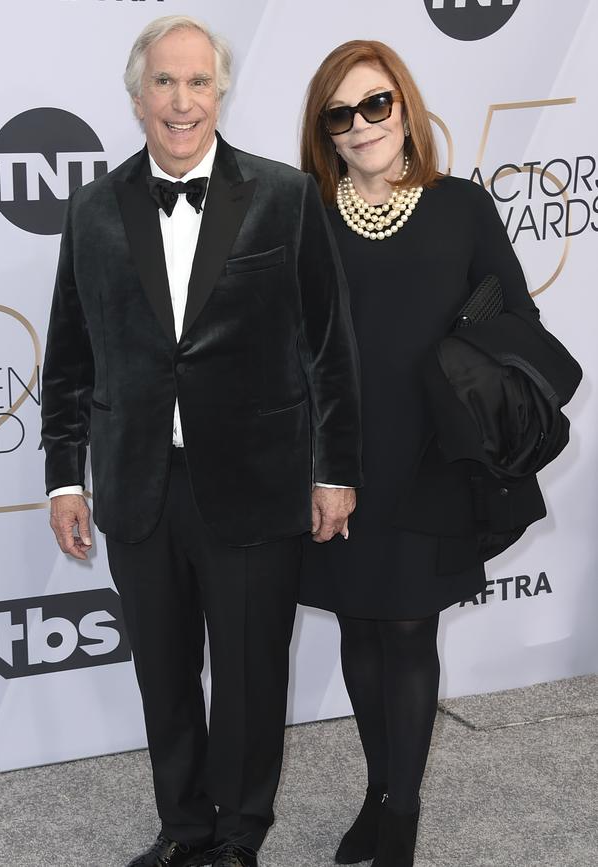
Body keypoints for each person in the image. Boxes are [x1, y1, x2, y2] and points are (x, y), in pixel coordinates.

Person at [41, 16, 362, 867]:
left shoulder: (286, 196)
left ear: (221, 92)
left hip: (257, 481)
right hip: (141, 485)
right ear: (137, 94)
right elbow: (68, 355)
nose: (181, 103)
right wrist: (63, 481)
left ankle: (238, 833)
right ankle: (182, 828)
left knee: (252, 679)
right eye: (164, 83)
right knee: (166, 676)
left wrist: (335, 470)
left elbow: (329, 347)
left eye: (198, 83)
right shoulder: (93, 210)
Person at [299, 40, 544, 867]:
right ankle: (377, 792)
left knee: (407, 627)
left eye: (376, 104)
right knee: (361, 630)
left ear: (404, 108)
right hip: (342, 463)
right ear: (325, 132)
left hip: (435, 458)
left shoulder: (462, 207)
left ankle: (401, 813)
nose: (362, 123)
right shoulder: (308, 214)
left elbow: (519, 323)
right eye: (342, 113)